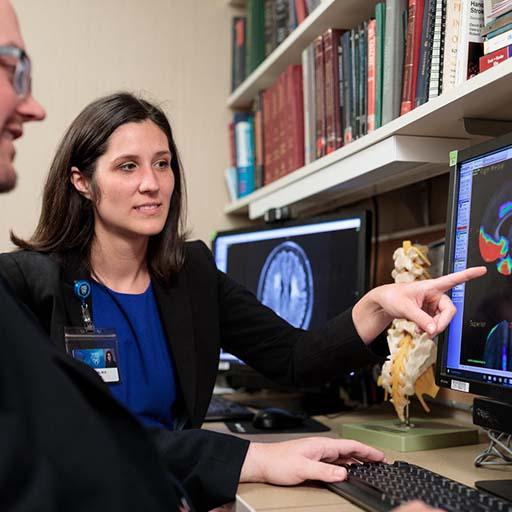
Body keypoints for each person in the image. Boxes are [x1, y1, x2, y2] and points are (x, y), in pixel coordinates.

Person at [0, 3, 478, 511]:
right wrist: (252, 458)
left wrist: (379, 304)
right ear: (82, 183)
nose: (151, 183)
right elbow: (87, 442)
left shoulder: (191, 273)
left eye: (163, 164)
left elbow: (294, 358)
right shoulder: (28, 286)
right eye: (127, 166)